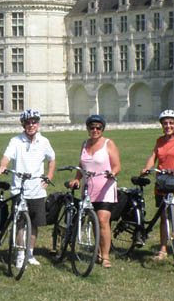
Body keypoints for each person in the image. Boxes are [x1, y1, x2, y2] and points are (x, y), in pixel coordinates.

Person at [0, 109, 55, 268]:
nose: (31, 125)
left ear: (38, 124)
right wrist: (2, 166)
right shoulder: (16, 141)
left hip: (37, 189)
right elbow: (7, 156)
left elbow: (52, 159)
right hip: (19, 190)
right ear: (23, 125)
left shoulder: (44, 141)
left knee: (34, 224)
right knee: (20, 224)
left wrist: (49, 176)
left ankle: (30, 253)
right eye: (27, 123)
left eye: (34, 122)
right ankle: (20, 255)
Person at [141, 110, 174, 262]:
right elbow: (153, 157)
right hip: (162, 183)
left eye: (171, 123)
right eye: (165, 123)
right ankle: (163, 249)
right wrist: (147, 168)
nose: (168, 126)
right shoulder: (159, 141)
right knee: (164, 217)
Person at [69, 114, 120, 269]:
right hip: (88, 189)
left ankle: (105, 257)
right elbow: (81, 164)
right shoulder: (85, 144)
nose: (95, 130)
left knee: (103, 221)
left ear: (102, 129)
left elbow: (117, 165)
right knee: (93, 221)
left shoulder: (108, 144)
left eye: (98, 128)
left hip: (105, 188)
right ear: (88, 129)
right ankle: (98, 252)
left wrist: (113, 173)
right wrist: (77, 178)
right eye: (92, 128)